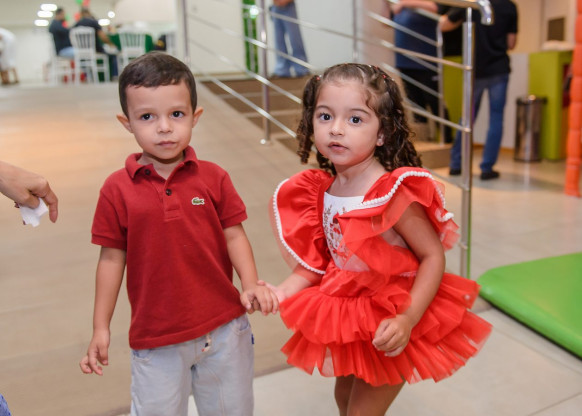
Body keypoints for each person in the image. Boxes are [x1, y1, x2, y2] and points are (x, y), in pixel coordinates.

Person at [265, 63, 492, 414]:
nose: (336, 129)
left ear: (382, 132)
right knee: (344, 399)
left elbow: (432, 256)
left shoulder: (391, 193)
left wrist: (408, 319)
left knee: (361, 411)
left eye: (355, 119)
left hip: (392, 315)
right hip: (347, 314)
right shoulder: (321, 191)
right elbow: (319, 265)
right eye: (325, 116)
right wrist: (279, 293)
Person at [78, 52, 278, 416]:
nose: (164, 127)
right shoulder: (116, 189)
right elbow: (111, 259)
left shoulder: (214, 177)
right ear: (127, 123)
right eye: (147, 117)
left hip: (224, 329)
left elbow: (234, 235)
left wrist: (250, 283)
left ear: (194, 116)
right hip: (157, 339)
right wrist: (100, 327)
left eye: (176, 114)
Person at [440, 0, 518, 180]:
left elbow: (444, 25)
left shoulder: (472, 2)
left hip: (475, 69)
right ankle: (487, 168)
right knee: (496, 118)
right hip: (499, 69)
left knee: (467, 118)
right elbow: (511, 42)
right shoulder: (509, 6)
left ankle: (456, 164)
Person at [390, 0, 454, 143]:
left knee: (434, 101)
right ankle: (423, 139)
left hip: (426, 62)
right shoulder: (402, 8)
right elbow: (386, 20)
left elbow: (437, 8)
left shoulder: (416, 4)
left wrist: (404, 3)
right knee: (416, 104)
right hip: (404, 62)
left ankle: (447, 139)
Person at [74, 7, 118, 77]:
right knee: (113, 55)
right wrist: (110, 44)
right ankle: (114, 75)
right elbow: (103, 36)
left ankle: (87, 76)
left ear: (81, 14)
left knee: (83, 60)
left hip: (81, 50)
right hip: (95, 49)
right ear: (89, 13)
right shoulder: (93, 22)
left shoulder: (77, 24)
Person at [270, 0, 309, 78]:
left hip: (289, 6)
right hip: (276, 7)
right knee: (279, 41)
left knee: (295, 39)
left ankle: (301, 69)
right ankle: (281, 70)